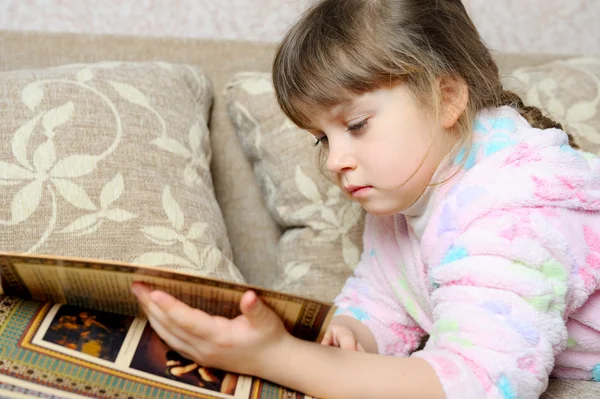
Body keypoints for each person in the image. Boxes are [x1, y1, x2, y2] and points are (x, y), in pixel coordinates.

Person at [131, 0, 600, 398]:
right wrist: (345, 337)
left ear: (448, 97)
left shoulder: (513, 206)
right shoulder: (407, 195)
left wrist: (277, 356)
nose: (335, 160)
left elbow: (482, 385)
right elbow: (379, 304)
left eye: (355, 126)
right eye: (321, 139)